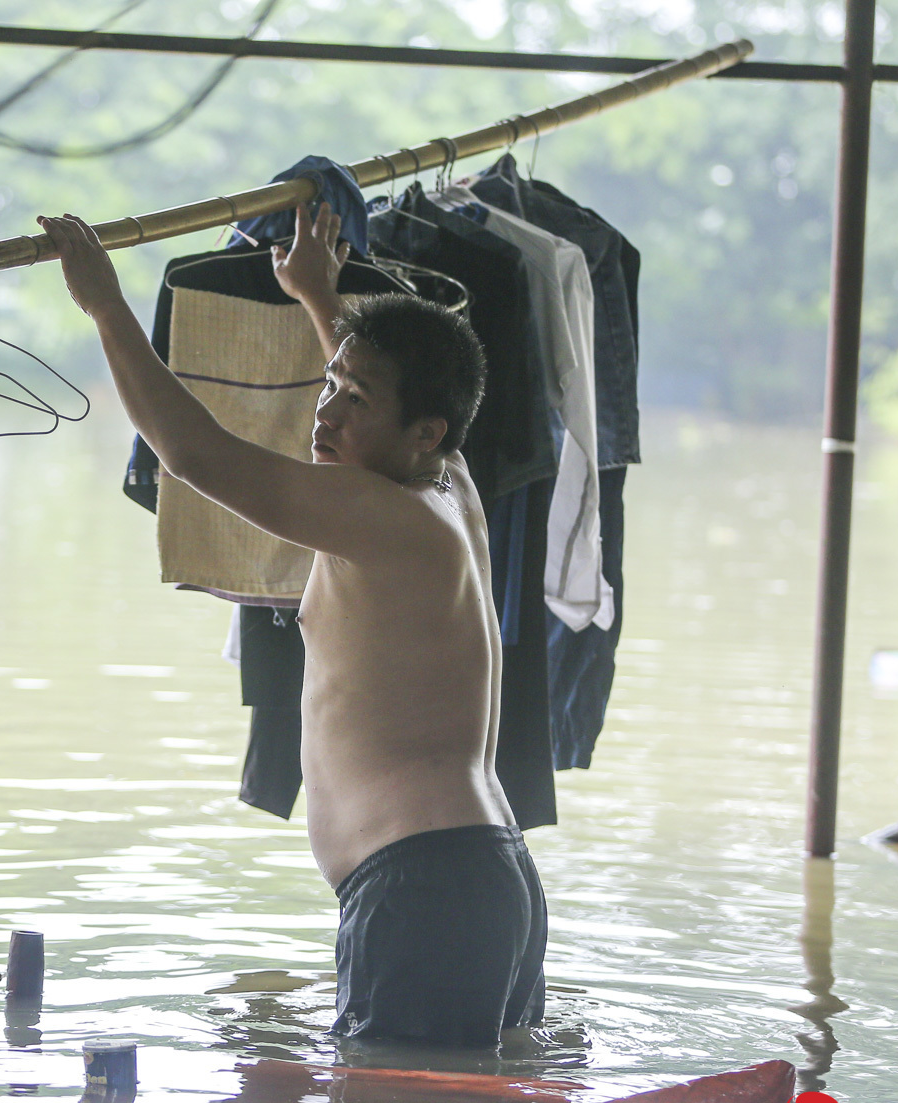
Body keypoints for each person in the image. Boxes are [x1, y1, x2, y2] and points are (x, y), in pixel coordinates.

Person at [39, 203, 547, 1047]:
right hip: (478, 876)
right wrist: (320, 300)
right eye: (331, 388)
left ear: (426, 430)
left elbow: (193, 454)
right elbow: (387, 379)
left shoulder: (382, 513)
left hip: (426, 886)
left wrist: (105, 304)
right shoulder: (448, 482)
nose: (327, 414)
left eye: (354, 402)